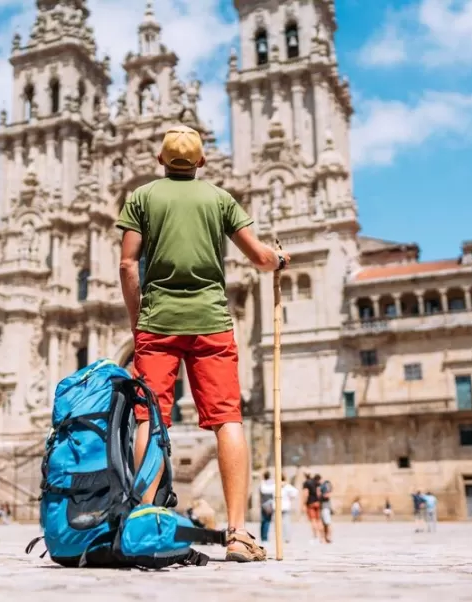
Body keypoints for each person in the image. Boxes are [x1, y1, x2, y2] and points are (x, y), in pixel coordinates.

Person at [116, 125, 290, 563]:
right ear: (201, 162)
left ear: (159, 160)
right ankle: (236, 534)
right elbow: (260, 257)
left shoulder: (141, 197)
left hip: (157, 324)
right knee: (228, 419)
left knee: (150, 420)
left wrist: (139, 322)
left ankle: (144, 521)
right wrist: (278, 259)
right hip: (212, 322)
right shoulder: (220, 199)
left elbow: (127, 264)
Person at [303, 475, 324, 542]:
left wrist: (304, 503)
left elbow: (306, 493)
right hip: (317, 502)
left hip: (310, 503)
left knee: (313, 521)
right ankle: (322, 537)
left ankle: (315, 537)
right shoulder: (317, 483)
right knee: (319, 520)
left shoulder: (306, 483)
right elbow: (319, 493)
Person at [280, 477, 299, 544]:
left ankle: (281, 537)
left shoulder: (275, 485)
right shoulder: (287, 486)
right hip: (286, 506)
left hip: (278, 506)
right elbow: (295, 492)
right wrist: (290, 498)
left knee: (279, 523)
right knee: (286, 523)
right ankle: (286, 537)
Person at [258, 471, 275, 544]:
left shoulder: (262, 483)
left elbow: (261, 492)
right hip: (270, 504)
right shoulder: (272, 484)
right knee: (267, 521)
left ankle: (263, 537)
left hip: (264, 503)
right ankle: (265, 538)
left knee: (263, 521)